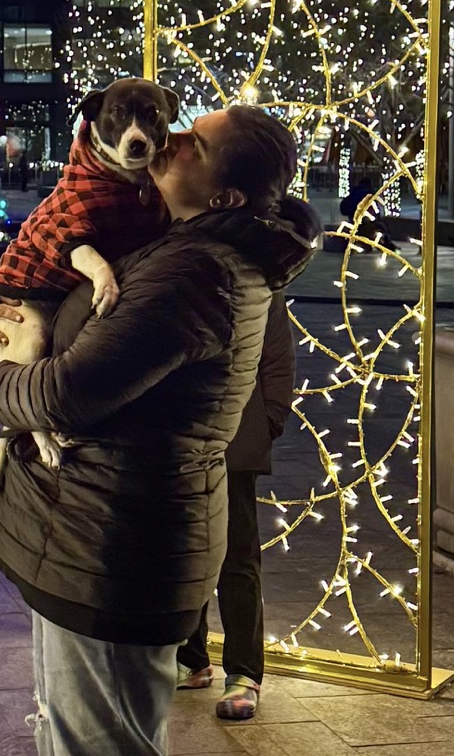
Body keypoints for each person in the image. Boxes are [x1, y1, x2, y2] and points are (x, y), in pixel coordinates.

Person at [0, 106, 321, 756]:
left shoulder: (194, 271)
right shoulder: (180, 246)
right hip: (94, 544)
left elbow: (68, 392)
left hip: (110, 551)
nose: (170, 139)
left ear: (225, 196)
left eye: (195, 142)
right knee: (79, 732)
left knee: (97, 743)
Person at [174, 291, 295, 720]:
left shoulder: (257, 278)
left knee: (237, 555)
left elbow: (277, 357)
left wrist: (267, 422)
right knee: (181, 549)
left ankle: (244, 673)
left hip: (233, 436)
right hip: (177, 434)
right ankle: (190, 659)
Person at [339, 177, 397, 253]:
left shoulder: (353, 193)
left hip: (354, 221)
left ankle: (364, 245)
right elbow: (375, 211)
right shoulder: (368, 194)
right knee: (381, 226)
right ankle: (387, 245)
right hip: (365, 222)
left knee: (364, 230)